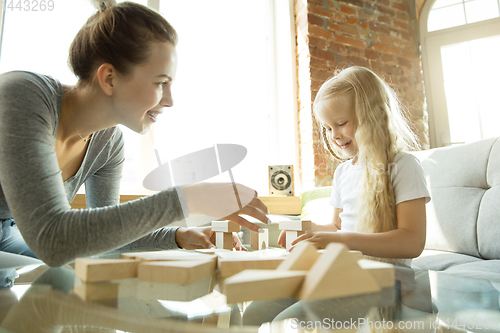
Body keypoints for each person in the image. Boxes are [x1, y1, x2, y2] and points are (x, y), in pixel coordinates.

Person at [0, 1, 268, 287]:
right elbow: (53, 240)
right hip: (23, 241)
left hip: (11, 241)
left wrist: (176, 237)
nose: (170, 100)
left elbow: (101, 236)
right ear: (109, 78)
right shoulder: (21, 95)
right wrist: (191, 198)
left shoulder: (108, 143)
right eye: (160, 83)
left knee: (69, 281)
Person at [278, 66, 430, 265]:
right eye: (328, 128)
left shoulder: (403, 166)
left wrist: (342, 240)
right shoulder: (343, 172)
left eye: (341, 123)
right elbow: (336, 227)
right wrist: (309, 229)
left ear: (371, 116)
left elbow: (413, 242)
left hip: (387, 281)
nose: (334, 136)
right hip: (349, 273)